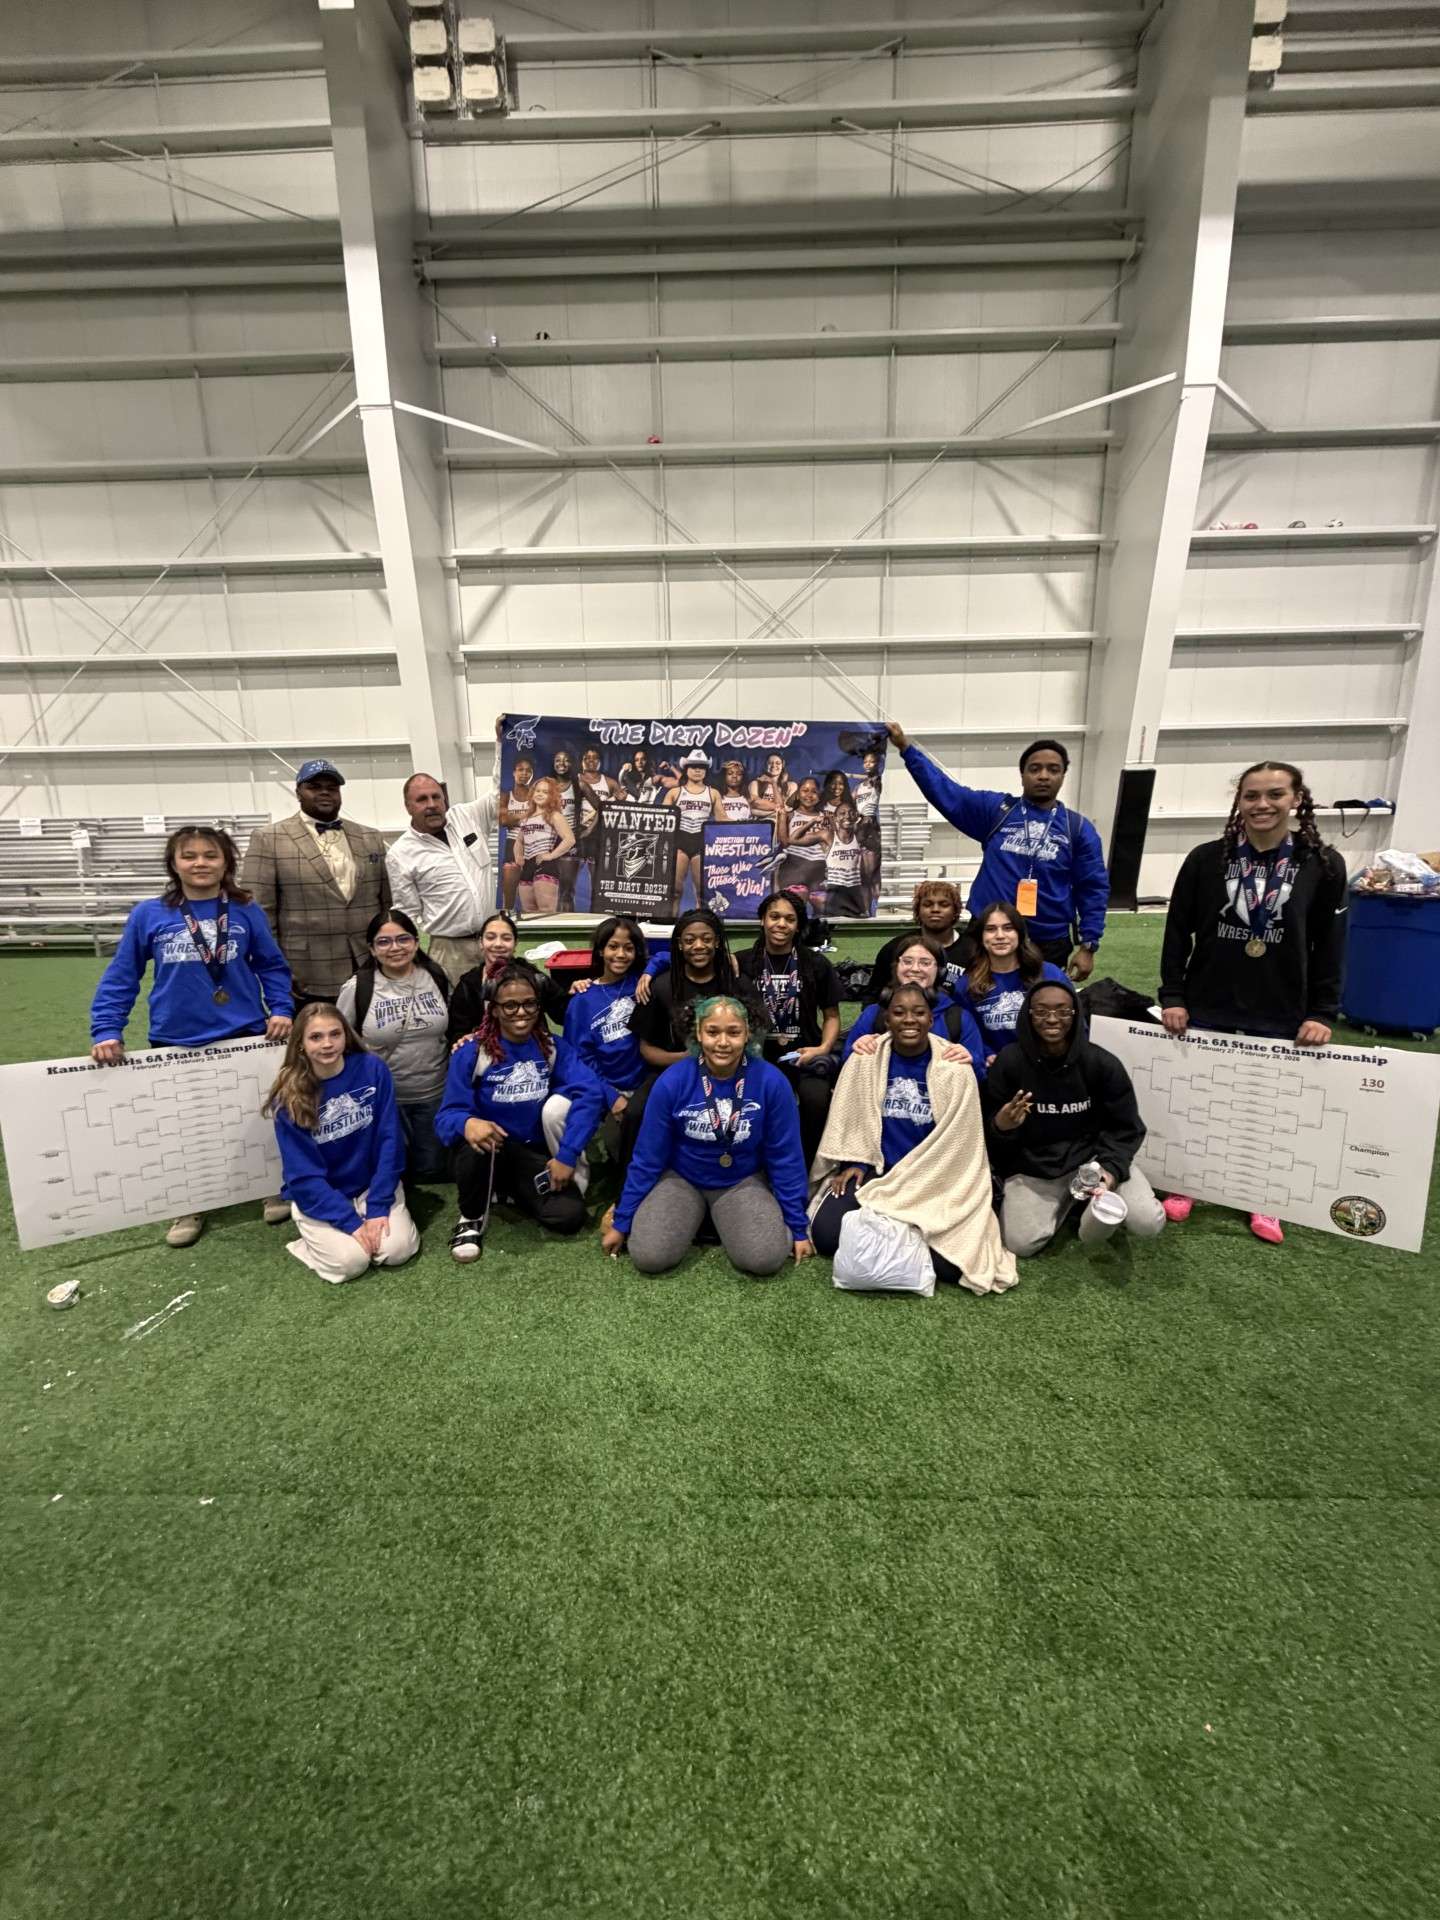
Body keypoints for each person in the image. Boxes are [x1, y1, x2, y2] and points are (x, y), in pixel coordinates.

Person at [1158, 759, 1348, 1246]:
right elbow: (1178, 930)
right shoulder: (1206, 859)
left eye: (1275, 795)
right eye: (1252, 796)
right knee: (1199, 1097)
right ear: (1238, 802)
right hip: (1209, 999)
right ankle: (1186, 1181)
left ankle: (1264, 1194)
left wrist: (1322, 1012)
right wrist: (1174, 994)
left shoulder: (1321, 864)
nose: (1262, 805)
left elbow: (1329, 943)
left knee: (1270, 1104)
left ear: (1297, 800)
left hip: (1281, 1003)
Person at [90, 824, 294, 1247]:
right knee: (182, 1125)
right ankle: (189, 1201)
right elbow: (123, 976)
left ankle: (267, 1186)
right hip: (175, 1037)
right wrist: (107, 1027)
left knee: (255, 1115)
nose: (200, 863)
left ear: (226, 863)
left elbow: (272, 966)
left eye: (210, 856)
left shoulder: (245, 910)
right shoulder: (150, 914)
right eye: (190, 856)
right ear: (174, 863)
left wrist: (281, 1008)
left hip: (244, 1032)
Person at [809, 984, 1017, 1295]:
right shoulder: (864, 1061)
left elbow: (962, 1144)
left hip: (931, 1178)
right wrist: (855, 1161)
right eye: (899, 1012)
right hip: (875, 1172)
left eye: (919, 1013)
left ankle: (895, 1223)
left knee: (950, 1266)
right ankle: (906, 1225)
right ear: (887, 1020)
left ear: (931, 1020)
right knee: (826, 1236)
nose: (909, 1019)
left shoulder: (955, 1069)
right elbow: (850, 1121)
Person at [601, 992, 813, 1276]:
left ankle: (721, 1218)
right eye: (712, 1032)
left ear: (748, 1034)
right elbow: (648, 1157)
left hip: (741, 1179)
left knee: (765, 1260)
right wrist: (623, 1220)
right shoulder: (672, 1081)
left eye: (734, 1032)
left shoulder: (772, 1082)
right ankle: (701, 1218)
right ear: (698, 1034)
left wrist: (798, 1227)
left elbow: (785, 1157)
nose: (723, 1042)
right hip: (682, 1178)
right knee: (649, 1257)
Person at [885, 724, 1108, 978]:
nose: (1043, 776)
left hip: (1046, 939)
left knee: (1038, 1008)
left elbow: (1093, 888)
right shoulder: (997, 811)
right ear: (1022, 774)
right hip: (987, 932)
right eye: (1035, 769)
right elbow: (947, 792)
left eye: (1053, 769)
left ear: (1063, 775)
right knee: (973, 999)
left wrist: (1088, 945)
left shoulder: (1077, 828)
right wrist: (906, 748)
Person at [985, 979, 1166, 1256]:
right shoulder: (1009, 1063)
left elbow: (1126, 1128)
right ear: (1028, 1015)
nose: (1053, 1019)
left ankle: (1087, 1203)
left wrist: (1110, 1171)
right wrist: (1002, 1127)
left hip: (1093, 1160)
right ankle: (1072, 1202)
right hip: (1036, 1167)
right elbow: (989, 1138)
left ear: (1076, 1014)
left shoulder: (1102, 1063)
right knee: (1020, 1244)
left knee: (1148, 1222)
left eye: (1063, 1011)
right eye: (1042, 1011)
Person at [437, 961, 605, 1258]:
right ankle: (471, 1216)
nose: (521, 1012)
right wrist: (466, 1123)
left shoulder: (552, 1047)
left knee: (568, 1216)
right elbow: (445, 1118)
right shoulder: (472, 1052)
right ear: (495, 1009)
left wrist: (566, 1155)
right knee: (475, 1142)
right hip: (489, 1151)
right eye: (510, 1005)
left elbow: (589, 1092)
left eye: (529, 1004)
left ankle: (509, 1191)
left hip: (528, 1152)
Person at [264, 1002, 420, 1285]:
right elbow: (303, 1175)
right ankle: (310, 1239)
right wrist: (348, 1221)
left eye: (335, 1034)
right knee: (352, 1263)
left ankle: (358, 1224)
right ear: (300, 1043)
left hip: (369, 1185)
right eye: (316, 1037)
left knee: (398, 1251)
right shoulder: (289, 1096)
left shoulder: (372, 1068)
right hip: (323, 1194)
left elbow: (389, 1141)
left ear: (346, 1036)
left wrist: (377, 1207)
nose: (327, 1044)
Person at [239, 757, 390, 1006]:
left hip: (368, 964)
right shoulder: (269, 838)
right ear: (298, 792)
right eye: (314, 787)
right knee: (316, 1042)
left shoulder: (370, 837)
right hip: (305, 971)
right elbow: (259, 914)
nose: (324, 793)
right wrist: (278, 969)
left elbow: (385, 903)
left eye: (332, 788)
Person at [335, 909, 451, 1184]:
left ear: (415, 941)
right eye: (384, 942)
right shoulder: (358, 987)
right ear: (372, 949)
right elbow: (343, 1042)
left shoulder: (435, 975)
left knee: (430, 1169)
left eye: (403, 939)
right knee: (393, 1171)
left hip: (434, 1093)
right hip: (385, 1098)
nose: (395, 948)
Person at [387, 728, 504, 984]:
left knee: (502, 1007)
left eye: (435, 797)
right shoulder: (400, 853)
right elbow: (405, 912)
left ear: (444, 799)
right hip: (450, 950)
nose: (431, 804)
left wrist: (502, 743)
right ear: (408, 807)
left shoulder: (467, 816)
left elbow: (499, 795)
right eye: (421, 799)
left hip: (493, 939)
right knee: (460, 1016)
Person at [737, 891, 841, 1166]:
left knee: (815, 1101)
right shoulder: (742, 962)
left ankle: (810, 1166)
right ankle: (754, 1166)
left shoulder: (816, 964)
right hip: (757, 1058)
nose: (781, 924)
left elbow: (831, 1016)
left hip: (805, 1054)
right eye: (774, 917)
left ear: (798, 925)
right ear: (762, 920)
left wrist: (822, 1048)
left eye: (789, 919)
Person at [562, 915, 649, 1153]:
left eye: (628, 948)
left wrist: (651, 970)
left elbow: (667, 957)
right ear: (600, 950)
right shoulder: (582, 999)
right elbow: (579, 1060)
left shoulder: (642, 986)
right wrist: (610, 1097)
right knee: (615, 1144)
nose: (620, 954)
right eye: (613, 946)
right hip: (602, 1086)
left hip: (644, 1086)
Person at [843, 933, 986, 1071]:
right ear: (896, 967)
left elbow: (979, 1073)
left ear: (940, 971)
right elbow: (846, 1066)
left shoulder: (958, 1018)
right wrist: (857, 1051)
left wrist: (969, 1060)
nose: (915, 969)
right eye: (907, 962)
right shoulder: (874, 1014)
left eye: (925, 963)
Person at [959, 901, 1070, 1064]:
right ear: (981, 937)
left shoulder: (1049, 974)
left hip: (1049, 1065)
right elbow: (967, 1033)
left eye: (1008, 928)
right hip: (997, 1069)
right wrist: (986, 1054)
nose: (1000, 936)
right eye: (990, 929)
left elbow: (1075, 1022)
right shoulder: (966, 985)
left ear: (1020, 933)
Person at [445, 909, 568, 1044]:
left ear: (515, 944)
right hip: (488, 1057)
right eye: (490, 937)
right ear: (481, 942)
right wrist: (462, 1040)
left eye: (506, 938)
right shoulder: (468, 985)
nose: (498, 944)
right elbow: (456, 1031)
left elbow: (564, 1014)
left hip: (532, 1052)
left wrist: (580, 992)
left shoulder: (534, 977)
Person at [866, 881, 972, 1004]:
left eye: (944, 905)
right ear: (918, 911)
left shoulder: (973, 950)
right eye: (927, 904)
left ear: (955, 911)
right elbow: (873, 994)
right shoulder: (895, 948)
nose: (935, 910)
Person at [663, 748, 723, 913]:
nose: (697, 770)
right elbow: (660, 819)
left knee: (702, 894)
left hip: (701, 843)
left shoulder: (713, 793)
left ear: (706, 771)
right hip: (679, 841)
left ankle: (700, 924)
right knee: (674, 891)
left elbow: (722, 820)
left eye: (701, 767)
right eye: (694, 766)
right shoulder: (674, 792)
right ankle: (670, 926)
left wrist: (750, 826)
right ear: (686, 769)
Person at [512, 775, 577, 919]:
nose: (540, 794)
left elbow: (570, 839)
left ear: (552, 796)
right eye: (538, 791)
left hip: (545, 865)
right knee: (528, 911)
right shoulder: (526, 818)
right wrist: (518, 856)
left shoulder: (554, 815)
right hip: (527, 867)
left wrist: (550, 855)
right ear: (532, 793)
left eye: (545, 792)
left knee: (546, 911)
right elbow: (519, 841)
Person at [775, 775, 829, 899]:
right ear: (798, 795)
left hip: (818, 867)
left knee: (820, 905)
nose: (809, 795)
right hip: (794, 865)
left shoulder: (825, 817)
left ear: (819, 796)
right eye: (805, 790)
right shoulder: (790, 815)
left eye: (814, 792)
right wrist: (782, 817)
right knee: (794, 903)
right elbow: (784, 842)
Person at [498, 755, 536, 914]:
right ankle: (507, 922)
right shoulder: (506, 796)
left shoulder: (535, 795)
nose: (524, 774)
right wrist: (527, 815)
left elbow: (541, 818)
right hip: (512, 843)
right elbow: (502, 820)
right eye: (521, 770)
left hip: (533, 845)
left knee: (531, 897)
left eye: (528, 771)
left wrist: (514, 818)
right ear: (514, 773)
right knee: (509, 895)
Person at [819, 798, 867, 917]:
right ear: (836, 818)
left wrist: (858, 815)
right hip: (835, 892)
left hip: (854, 892)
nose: (847, 816)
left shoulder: (858, 836)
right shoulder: (828, 836)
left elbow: (867, 820)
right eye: (842, 813)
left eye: (851, 813)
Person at [749, 752, 796, 822]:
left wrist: (773, 783)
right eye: (770, 763)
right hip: (761, 824)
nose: (774, 765)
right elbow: (754, 808)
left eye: (778, 763)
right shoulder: (755, 784)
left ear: (782, 765)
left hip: (783, 824)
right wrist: (779, 810)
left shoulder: (791, 786)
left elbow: (789, 811)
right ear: (765, 765)